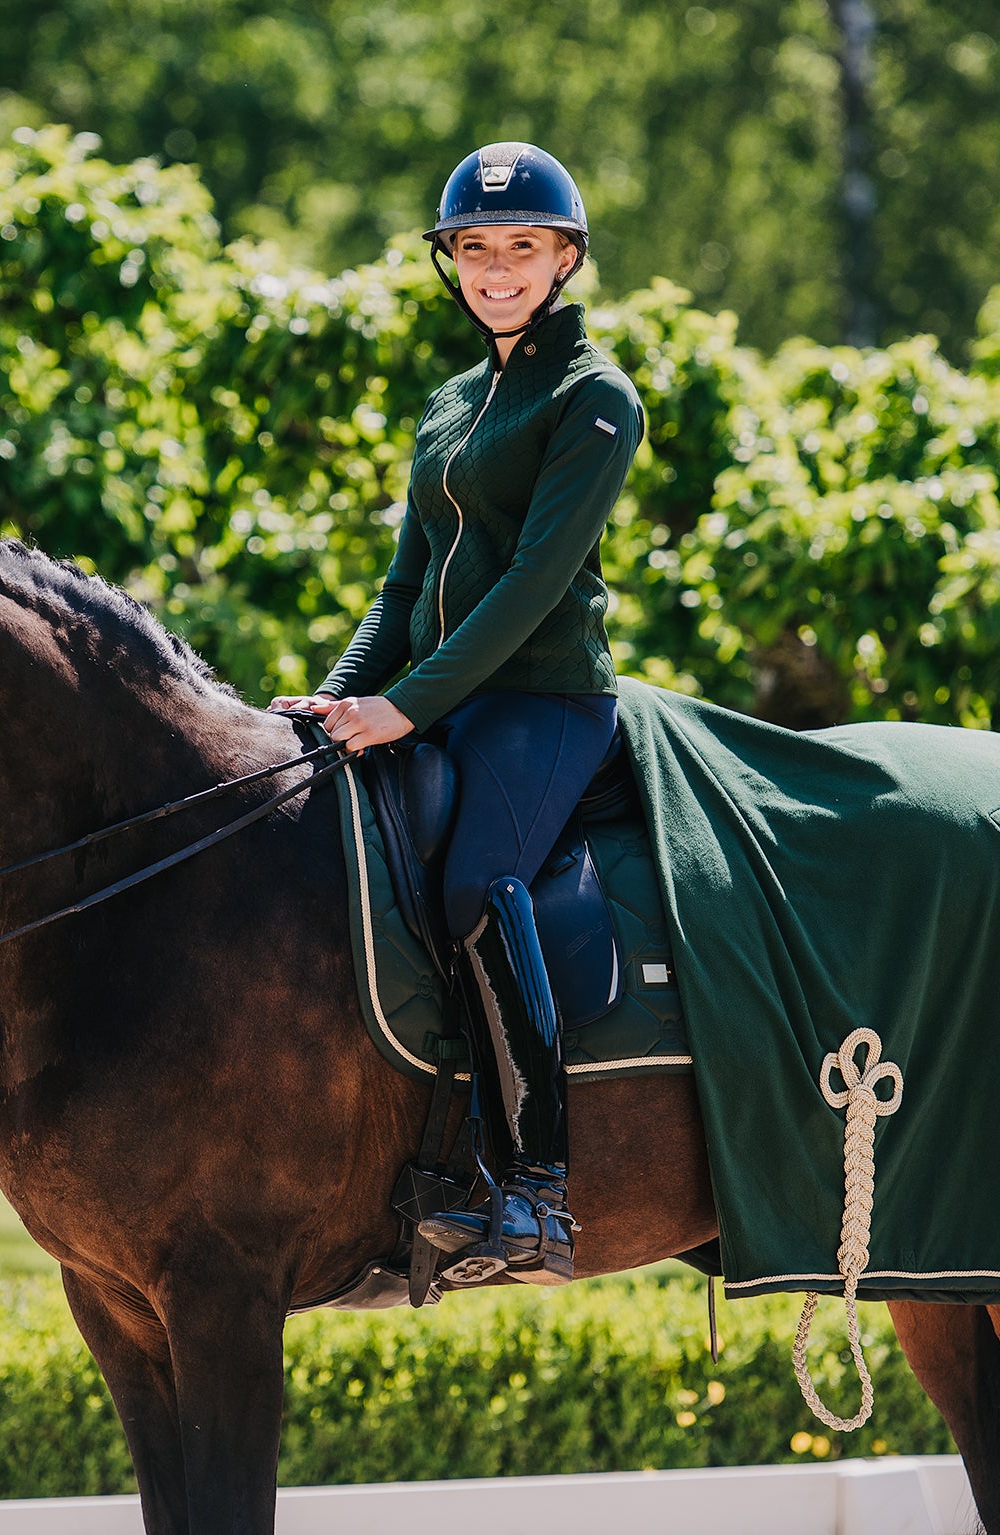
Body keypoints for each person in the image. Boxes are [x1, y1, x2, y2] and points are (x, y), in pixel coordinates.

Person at [269, 142, 645, 1285]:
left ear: (564, 258)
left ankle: (536, 1186)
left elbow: (531, 581)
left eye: (520, 248)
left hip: (540, 702)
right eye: (474, 249)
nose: (495, 269)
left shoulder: (594, 400)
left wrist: (405, 706)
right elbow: (404, 582)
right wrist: (338, 695)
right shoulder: (448, 403)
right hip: (430, 697)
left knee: (479, 882)